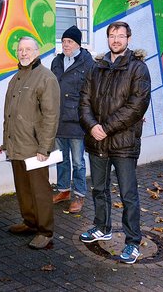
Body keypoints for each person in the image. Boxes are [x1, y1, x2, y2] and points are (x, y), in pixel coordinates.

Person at [78, 21, 151, 264]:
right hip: (97, 142)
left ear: (128, 38)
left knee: (128, 194)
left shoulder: (138, 69)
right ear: (108, 38)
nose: (116, 40)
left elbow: (136, 106)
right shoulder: (95, 68)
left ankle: (132, 242)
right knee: (99, 189)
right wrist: (92, 126)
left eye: (121, 36)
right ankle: (102, 227)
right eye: (112, 35)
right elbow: (84, 101)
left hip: (123, 143)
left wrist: (105, 128)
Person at [0, 36, 60, 250]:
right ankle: (30, 222)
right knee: (23, 188)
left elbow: (51, 116)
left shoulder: (46, 78)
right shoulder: (16, 78)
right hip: (17, 145)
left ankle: (45, 231)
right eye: (20, 50)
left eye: (28, 49)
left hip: (35, 149)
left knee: (40, 191)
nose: (23, 53)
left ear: (37, 51)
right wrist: (6, 142)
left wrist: (45, 148)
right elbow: (9, 114)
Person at [50, 25, 95, 213]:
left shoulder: (88, 63)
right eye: (63, 42)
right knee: (61, 159)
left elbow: (93, 93)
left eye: (69, 42)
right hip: (59, 119)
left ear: (78, 43)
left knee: (78, 161)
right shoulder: (57, 61)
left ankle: (79, 195)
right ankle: (63, 190)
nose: (65, 45)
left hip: (76, 120)